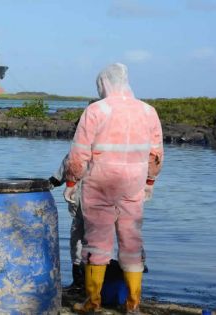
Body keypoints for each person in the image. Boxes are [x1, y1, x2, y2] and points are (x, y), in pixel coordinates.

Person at [64, 63, 164, 314]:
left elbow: (78, 154)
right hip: (133, 184)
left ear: (104, 83)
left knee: (96, 241)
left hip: (99, 183)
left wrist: (71, 182)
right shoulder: (148, 111)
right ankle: (133, 305)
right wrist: (150, 182)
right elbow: (156, 154)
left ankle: (93, 302)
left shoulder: (96, 110)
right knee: (131, 240)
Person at [49, 153, 85, 292]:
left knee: (82, 242)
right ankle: (82, 283)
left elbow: (59, 177)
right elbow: (58, 177)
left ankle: (82, 283)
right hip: (84, 209)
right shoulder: (74, 153)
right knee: (81, 242)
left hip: (89, 207)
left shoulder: (78, 153)